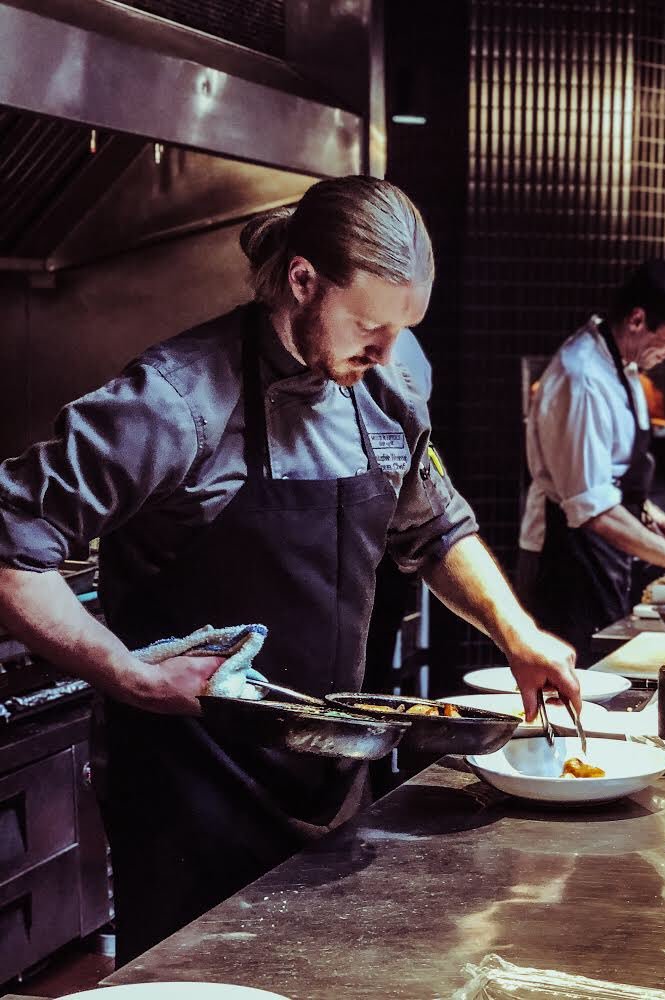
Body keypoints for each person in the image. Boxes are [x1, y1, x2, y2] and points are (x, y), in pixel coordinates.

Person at [0, 176, 579, 963]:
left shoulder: (387, 394)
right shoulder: (177, 400)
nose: (384, 355)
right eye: (369, 328)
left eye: (402, 332)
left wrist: (517, 633)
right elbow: (10, 541)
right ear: (303, 280)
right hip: (191, 791)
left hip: (329, 777)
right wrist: (128, 675)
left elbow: (436, 526)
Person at [517, 260, 665, 666]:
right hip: (565, 562)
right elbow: (590, 507)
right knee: (572, 681)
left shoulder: (623, 368)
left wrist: (649, 511)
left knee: (607, 672)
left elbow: (609, 472)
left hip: (599, 553)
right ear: (638, 319)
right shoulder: (581, 377)